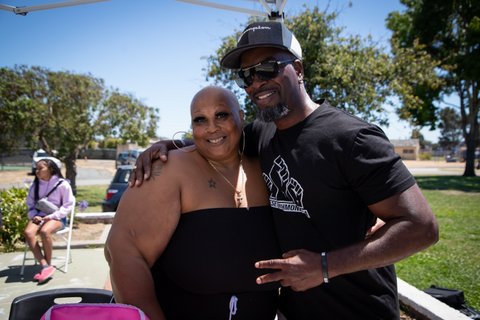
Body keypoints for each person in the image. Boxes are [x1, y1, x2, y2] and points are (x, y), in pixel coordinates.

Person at [131, 22, 439, 319]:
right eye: (246, 76)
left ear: (299, 70)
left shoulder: (350, 138)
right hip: (293, 312)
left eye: (267, 68)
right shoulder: (262, 134)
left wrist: (323, 266)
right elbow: (218, 137)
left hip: (359, 309)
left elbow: (422, 227)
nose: (255, 83)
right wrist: (168, 145)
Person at [104, 86, 281, 320]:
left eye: (221, 115)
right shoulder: (168, 169)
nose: (211, 127)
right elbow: (123, 252)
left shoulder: (266, 165)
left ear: (240, 115)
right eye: (200, 120)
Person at [25, 158, 74, 284]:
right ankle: (45, 265)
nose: (37, 171)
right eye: (36, 168)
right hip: (38, 216)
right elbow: (30, 205)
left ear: (51, 169)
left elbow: (68, 205)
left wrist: (52, 216)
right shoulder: (34, 186)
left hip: (57, 217)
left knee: (44, 231)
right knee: (28, 233)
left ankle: (47, 265)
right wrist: (33, 215)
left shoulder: (62, 184)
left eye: (40, 168)